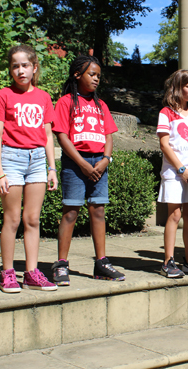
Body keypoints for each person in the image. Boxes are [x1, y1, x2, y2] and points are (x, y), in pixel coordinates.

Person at [0, 44, 58, 293]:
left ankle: (31, 273)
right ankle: (7, 273)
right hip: (11, 160)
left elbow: (48, 135)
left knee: (32, 219)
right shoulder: (3, 96)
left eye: (25, 65)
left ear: (34, 67)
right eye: (15, 66)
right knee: (12, 219)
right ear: (11, 70)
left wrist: (52, 168)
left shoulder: (43, 97)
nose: (20, 70)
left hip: (38, 160)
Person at [52, 55, 125, 285]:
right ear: (77, 75)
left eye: (98, 76)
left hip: (99, 163)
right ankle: (61, 264)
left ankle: (101, 262)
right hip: (76, 163)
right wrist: (82, 164)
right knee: (71, 212)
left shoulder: (100, 105)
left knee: (98, 210)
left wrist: (106, 160)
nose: (96, 79)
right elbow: (62, 136)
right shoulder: (65, 102)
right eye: (92, 74)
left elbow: (108, 135)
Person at [155, 69, 188, 278]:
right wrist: (181, 169)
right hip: (174, 171)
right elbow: (164, 145)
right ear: (178, 87)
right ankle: (168, 261)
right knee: (175, 214)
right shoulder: (166, 112)